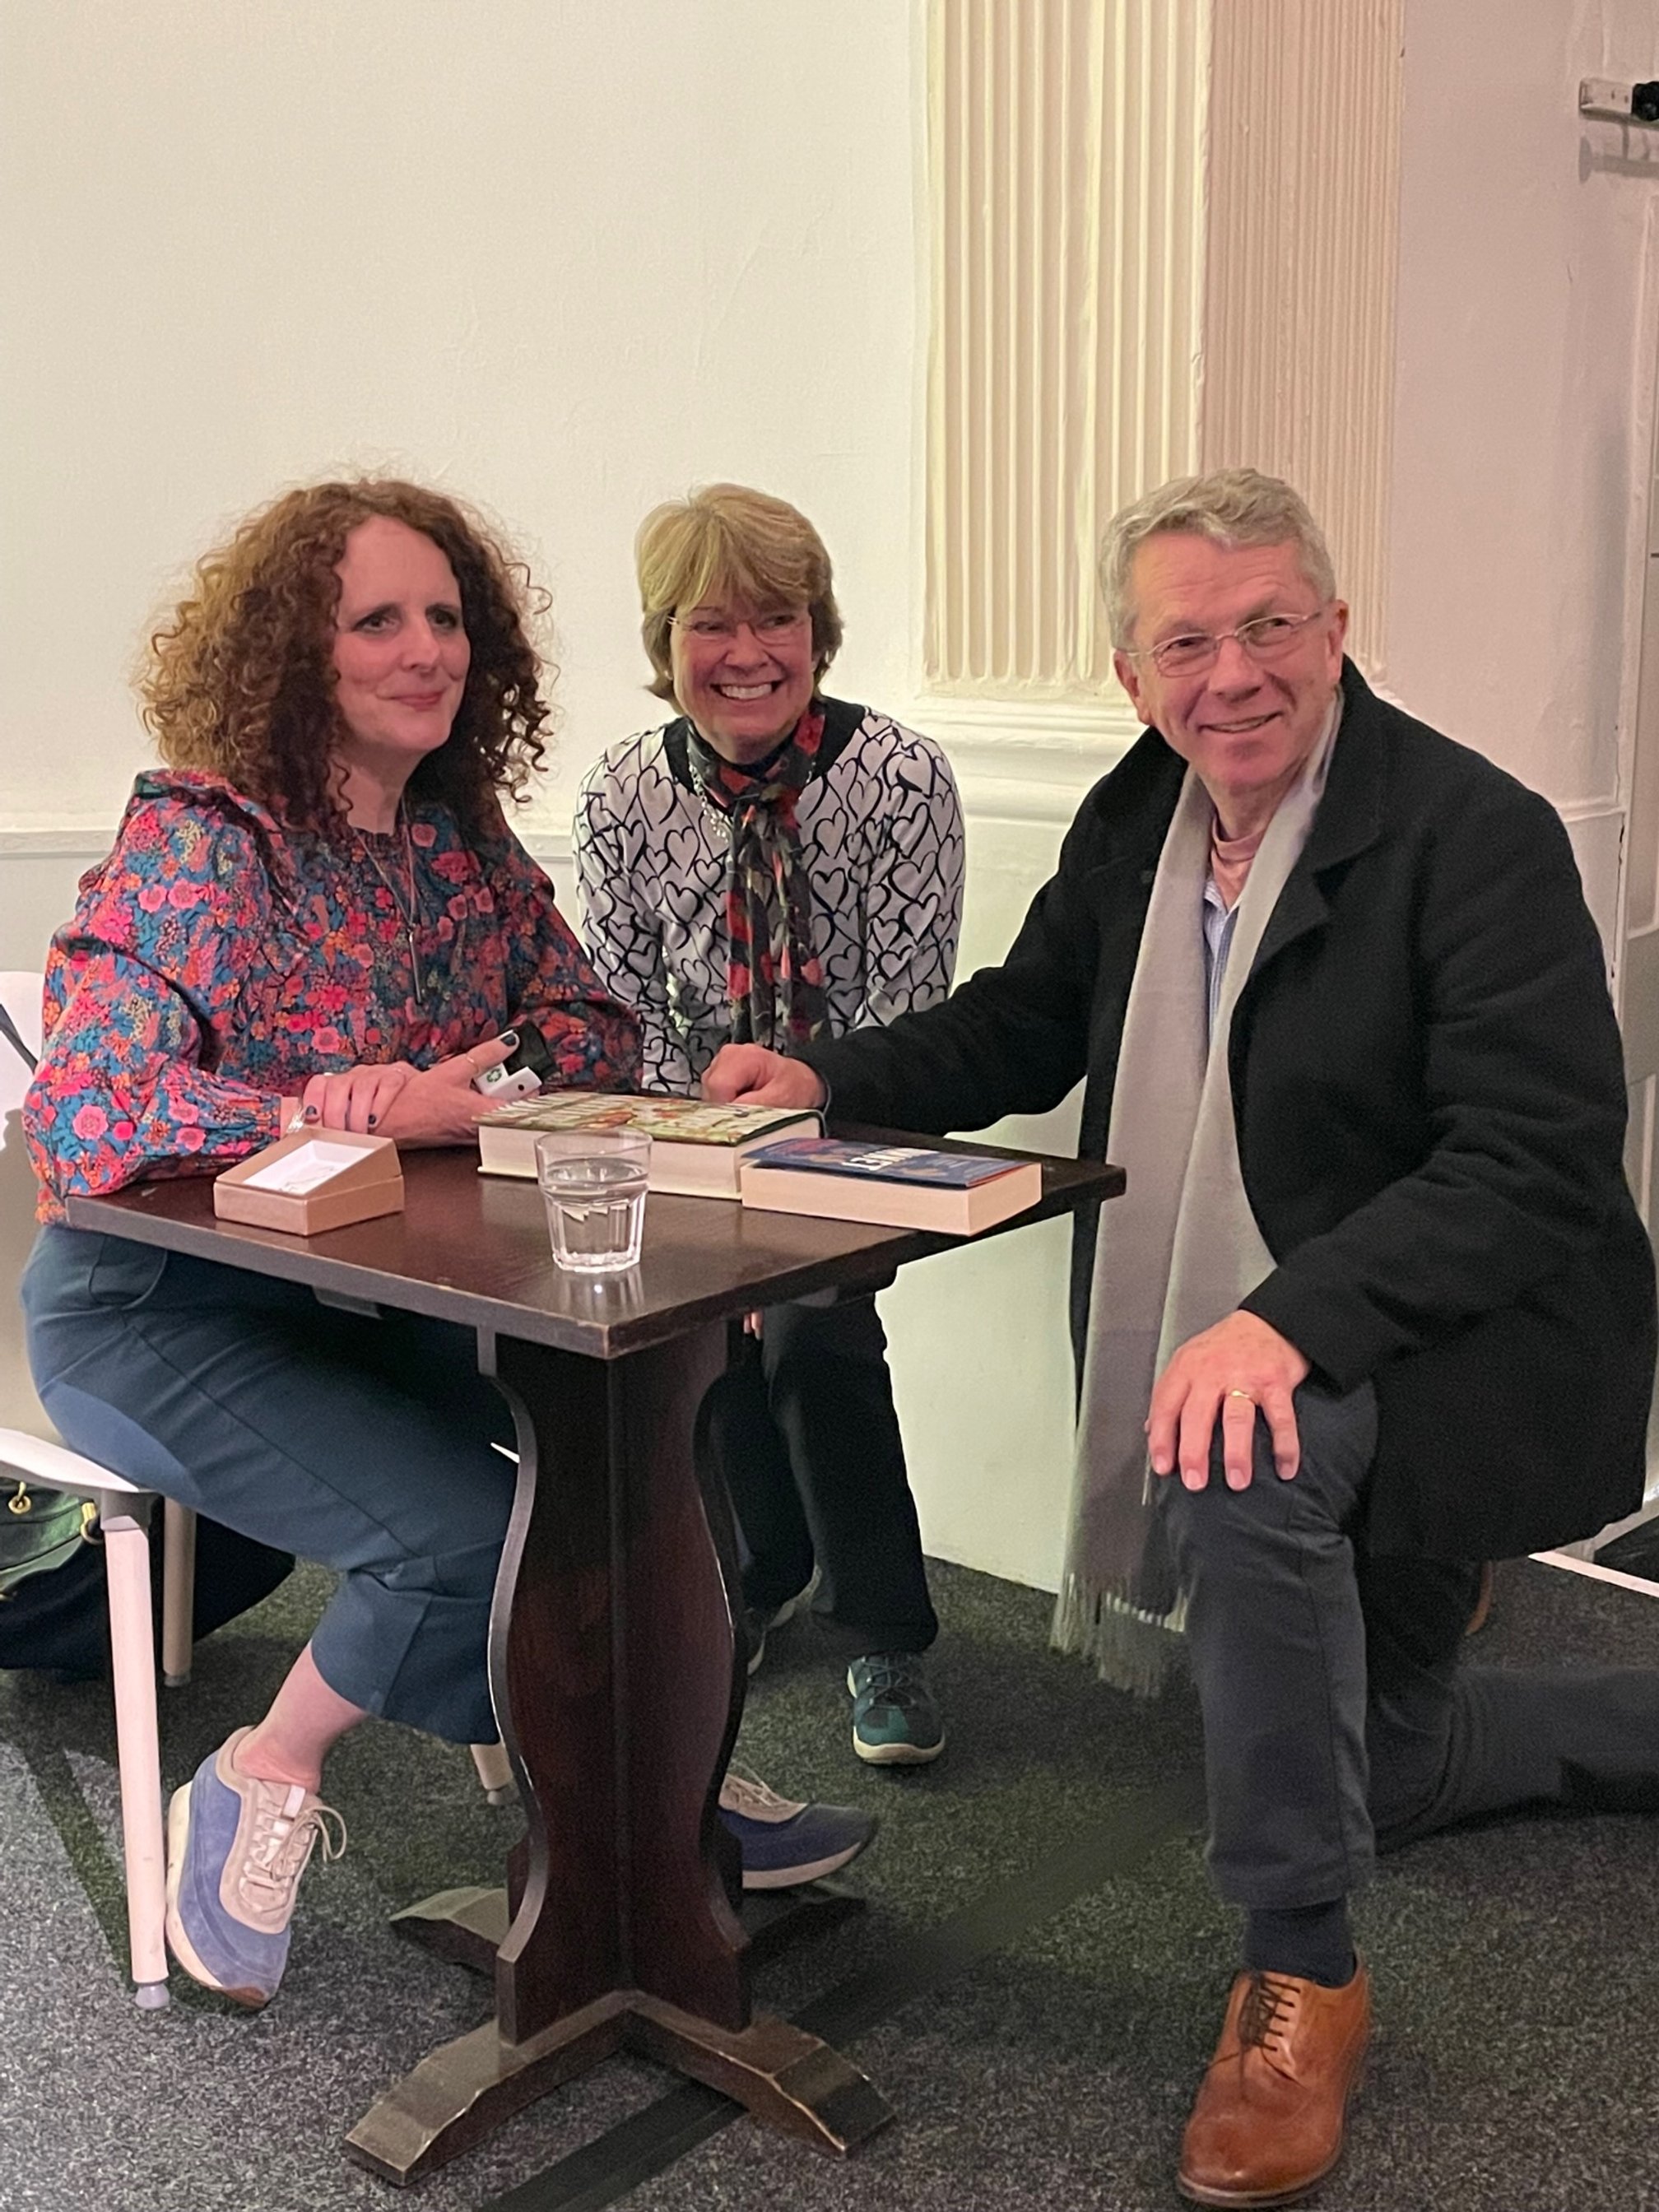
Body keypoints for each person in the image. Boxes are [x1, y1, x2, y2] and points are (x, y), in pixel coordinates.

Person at [704, 468, 1659, 2207]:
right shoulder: (1141, 814)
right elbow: (1027, 1020)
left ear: (1338, 629)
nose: (1235, 673)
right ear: (1134, 673)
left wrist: (1285, 1324)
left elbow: (1533, 1164)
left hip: (1461, 1339)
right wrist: (832, 1078)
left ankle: (1303, 1968)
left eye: (1271, 625)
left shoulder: (1475, 834)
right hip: (1312, 1324)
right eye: (1187, 640)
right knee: (1401, 1751)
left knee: (1238, 1455)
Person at [20, 479, 876, 2010]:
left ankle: (636, 1777)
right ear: (297, 651)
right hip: (159, 1310)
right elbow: (88, 1105)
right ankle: (259, 1778)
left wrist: (463, 1089)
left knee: (650, 1451)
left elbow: (587, 1026)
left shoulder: (452, 842)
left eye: (447, 619)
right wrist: (323, 1106)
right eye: (378, 621)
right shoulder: (206, 839)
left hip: (367, 1293)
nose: (428, 651)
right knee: (466, 1540)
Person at [574, 483, 964, 1765]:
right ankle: (756, 1574)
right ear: (663, 643)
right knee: (692, 1355)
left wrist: (781, 1178)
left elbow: (911, 1006)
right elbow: (618, 1004)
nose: (747, 655)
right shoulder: (624, 793)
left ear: (819, 631)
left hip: (848, 1131)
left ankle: (885, 1639)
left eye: (777, 619)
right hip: (676, 1140)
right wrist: (693, 1180)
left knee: (813, 1340)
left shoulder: (901, 780)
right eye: (710, 624)